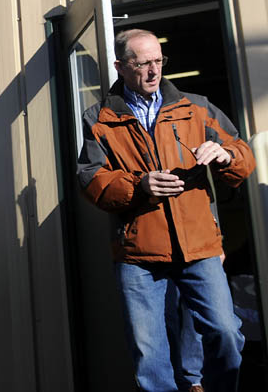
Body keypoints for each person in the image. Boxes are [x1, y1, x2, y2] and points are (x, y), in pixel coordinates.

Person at [77, 29, 255, 392]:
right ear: (121, 66)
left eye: (158, 61)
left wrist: (225, 156)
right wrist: (139, 187)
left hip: (199, 245)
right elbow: (91, 179)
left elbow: (243, 155)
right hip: (139, 254)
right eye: (143, 63)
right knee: (149, 355)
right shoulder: (99, 118)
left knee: (225, 332)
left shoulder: (196, 107)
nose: (154, 70)